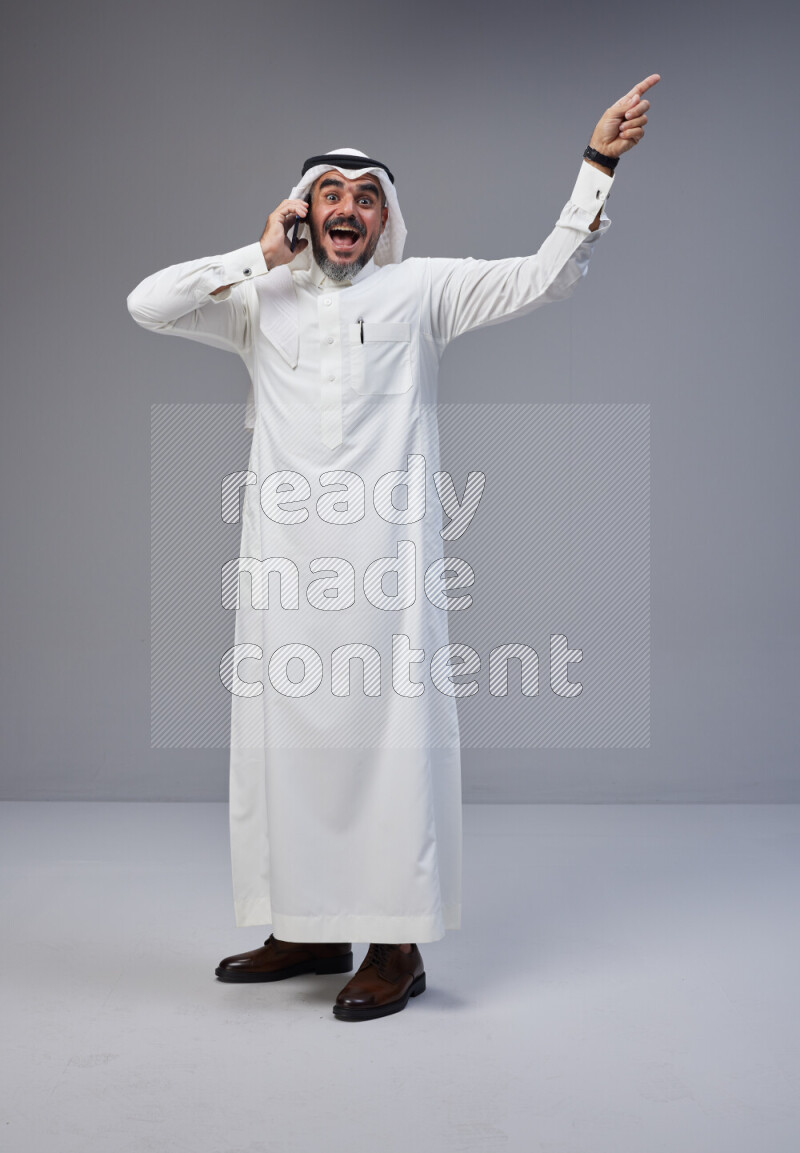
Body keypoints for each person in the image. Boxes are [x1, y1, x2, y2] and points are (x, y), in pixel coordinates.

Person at [127, 74, 659, 1022]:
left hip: (388, 567)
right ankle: (307, 926)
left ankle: (397, 944)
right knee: (284, 738)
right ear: (302, 211)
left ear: (384, 220)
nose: (349, 209)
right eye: (330, 194)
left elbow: (543, 272)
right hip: (284, 567)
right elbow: (147, 304)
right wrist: (257, 252)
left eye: (366, 197)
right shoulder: (261, 298)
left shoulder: (421, 290)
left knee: (391, 744)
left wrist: (597, 163)